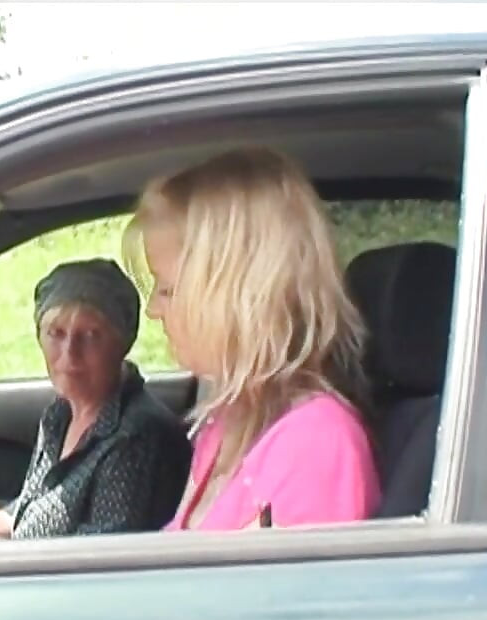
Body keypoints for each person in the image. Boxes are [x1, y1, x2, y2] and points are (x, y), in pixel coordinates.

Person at [124, 146, 381, 531]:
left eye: (168, 289)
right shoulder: (229, 421)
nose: (153, 311)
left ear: (236, 296)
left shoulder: (315, 445)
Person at [0, 258, 191, 543]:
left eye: (90, 335)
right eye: (56, 333)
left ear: (123, 342)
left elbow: (98, 566)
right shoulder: (60, 416)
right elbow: (26, 522)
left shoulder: (137, 439)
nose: (69, 355)